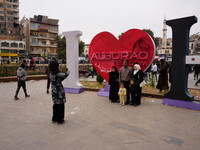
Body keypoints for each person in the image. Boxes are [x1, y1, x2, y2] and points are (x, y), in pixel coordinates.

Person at [49, 59, 70, 124]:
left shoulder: (51, 74)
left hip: (54, 90)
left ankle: (54, 118)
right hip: (59, 91)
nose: (59, 66)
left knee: (55, 104)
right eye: (58, 66)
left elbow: (59, 79)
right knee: (60, 105)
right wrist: (68, 70)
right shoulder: (57, 74)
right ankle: (60, 120)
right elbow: (65, 74)